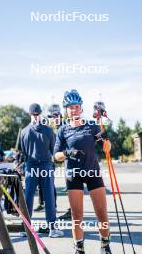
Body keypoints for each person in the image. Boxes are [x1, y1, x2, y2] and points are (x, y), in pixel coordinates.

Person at [54, 90, 112, 254]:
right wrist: (67, 153)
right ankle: (79, 248)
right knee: (77, 214)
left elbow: (107, 148)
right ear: (66, 110)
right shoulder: (63, 130)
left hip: (93, 172)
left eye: (76, 106)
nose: (74, 110)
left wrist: (106, 139)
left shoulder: (91, 126)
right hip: (74, 175)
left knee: (101, 212)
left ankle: (105, 245)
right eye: (70, 107)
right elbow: (56, 155)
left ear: (81, 108)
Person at [20, 103, 64, 238]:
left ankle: (26, 228)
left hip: (31, 166)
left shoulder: (24, 131)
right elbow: (54, 151)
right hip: (45, 165)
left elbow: (23, 152)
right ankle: (52, 228)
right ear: (40, 114)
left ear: (30, 114)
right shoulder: (49, 130)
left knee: (28, 196)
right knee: (49, 196)